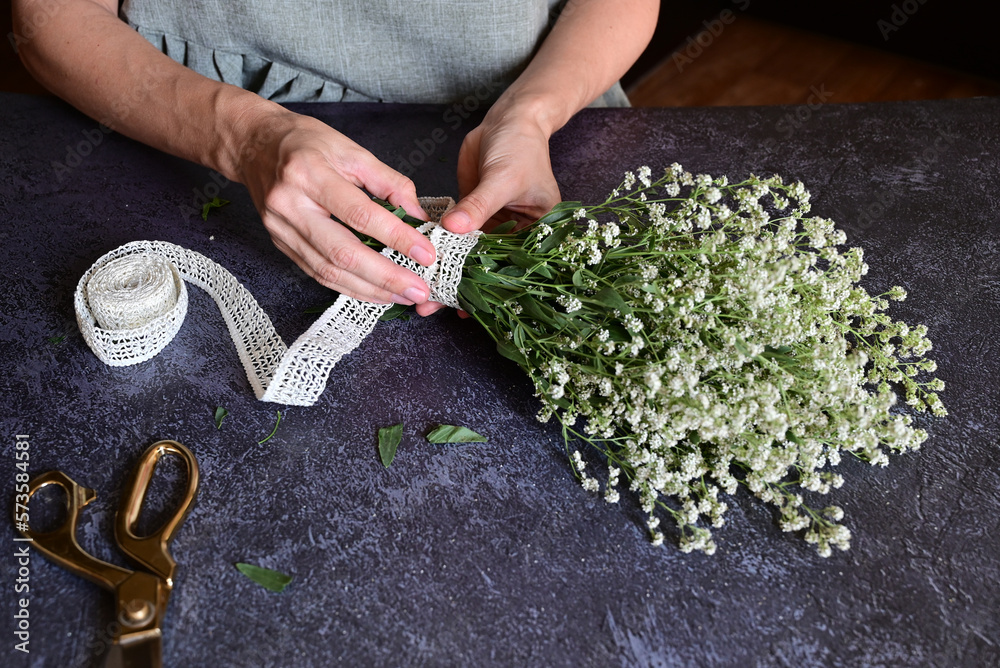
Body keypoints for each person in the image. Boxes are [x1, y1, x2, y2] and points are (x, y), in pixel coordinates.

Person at [12, 0, 658, 315]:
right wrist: (247, 137)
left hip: (539, 117)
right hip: (175, 120)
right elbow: (51, 17)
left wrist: (531, 114)